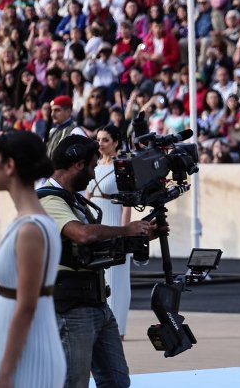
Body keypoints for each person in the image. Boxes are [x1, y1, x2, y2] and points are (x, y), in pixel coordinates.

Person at [41, 135, 157, 388]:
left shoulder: (74, 200)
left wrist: (141, 234)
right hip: (72, 307)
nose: (94, 174)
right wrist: (126, 229)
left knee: (117, 381)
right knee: (74, 382)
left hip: (97, 303)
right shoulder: (48, 199)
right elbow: (83, 235)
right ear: (77, 165)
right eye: (92, 167)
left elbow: (96, 247)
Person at [0, 132, 65, 388]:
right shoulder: (29, 222)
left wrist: (5, 373)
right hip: (20, 350)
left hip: (27, 356)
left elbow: (27, 306)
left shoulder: (30, 229)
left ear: (9, 165)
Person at [86, 125, 131, 339]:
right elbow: (87, 198)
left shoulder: (122, 167)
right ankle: (102, 327)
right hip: (97, 225)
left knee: (117, 281)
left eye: (105, 140)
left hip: (114, 225)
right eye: (98, 140)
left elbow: (127, 205)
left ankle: (118, 329)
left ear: (115, 142)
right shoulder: (94, 166)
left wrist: (123, 232)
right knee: (100, 280)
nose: (100, 144)